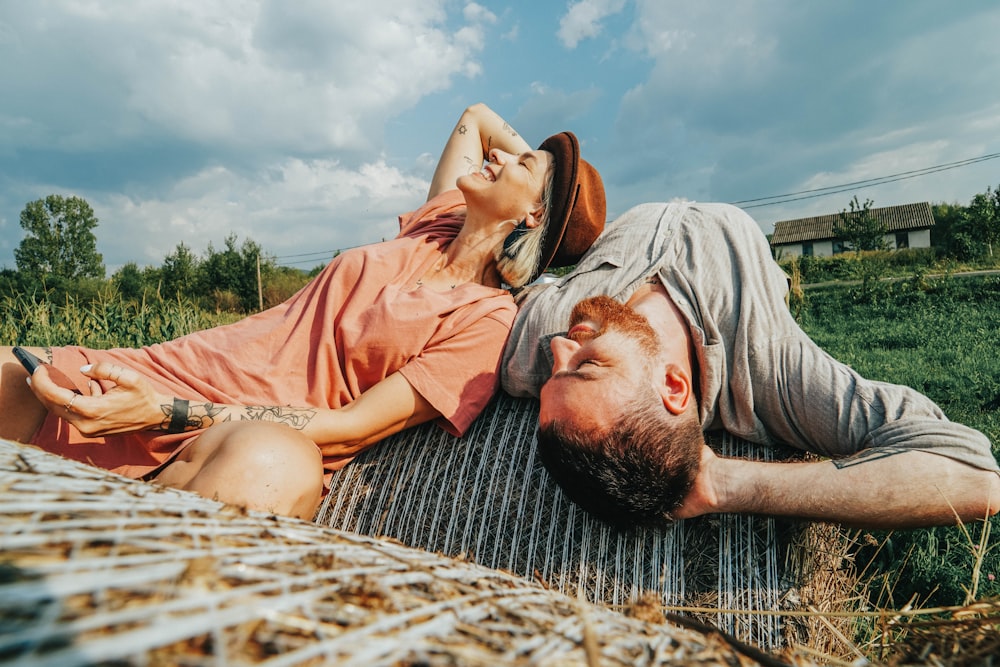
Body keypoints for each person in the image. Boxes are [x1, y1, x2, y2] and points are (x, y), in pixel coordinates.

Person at [1, 103, 606, 520]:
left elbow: (353, 427)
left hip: (240, 433)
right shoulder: (435, 225)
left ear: (532, 217)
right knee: (9, 371)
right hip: (170, 368)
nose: (498, 159)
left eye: (518, 165)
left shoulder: (483, 319)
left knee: (271, 466)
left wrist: (168, 413)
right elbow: (475, 118)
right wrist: (540, 175)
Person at [501, 200, 1000, 529]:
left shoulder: (527, 343)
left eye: (558, 374)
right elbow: (973, 474)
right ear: (674, 387)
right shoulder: (770, 372)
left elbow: (440, 246)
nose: (559, 349)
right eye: (585, 366)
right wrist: (726, 483)